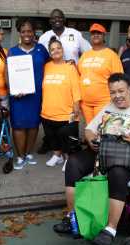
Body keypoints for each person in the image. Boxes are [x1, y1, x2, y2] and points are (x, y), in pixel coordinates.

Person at [53, 73, 130, 245]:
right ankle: (72, 218)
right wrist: (91, 140)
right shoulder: (108, 108)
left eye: (121, 91)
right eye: (113, 92)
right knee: (73, 163)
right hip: (105, 151)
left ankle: (110, 229)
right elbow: (90, 130)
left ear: (129, 90)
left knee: (117, 172)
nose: (117, 96)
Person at [37, 8, 91, 154]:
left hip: (71, 78)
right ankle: (52, 145)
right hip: (52, 79)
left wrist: (78, 66)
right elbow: (39, 57)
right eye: (53, 18)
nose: (56, 20)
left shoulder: (75, 34)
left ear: (64, 19)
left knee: (70, 117)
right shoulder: (44, 37)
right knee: (52, 114)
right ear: (49, 21)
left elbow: (88, 52)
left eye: (59, 17)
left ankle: (71, 148)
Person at [8, 19, 49, 170]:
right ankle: (20, 156)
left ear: (34, 33)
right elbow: (8, 73)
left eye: (29, 31)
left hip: (36, 95)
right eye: (24, 31)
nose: (27, 34)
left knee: (33, 124)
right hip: (18, 96)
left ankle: (28, 153)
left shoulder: (41, 49)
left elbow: (51, 65)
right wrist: (13, 89)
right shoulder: (12, 51)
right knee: (18, 125)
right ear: (19, 33)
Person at [41, 37, 81, 171]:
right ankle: (57, 155)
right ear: (49, 52)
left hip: (66, 111)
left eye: (58, 48)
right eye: (52, 49)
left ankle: (68, 158)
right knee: (51, 135)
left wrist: (76, 104)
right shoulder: (46, 67)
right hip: (48, 110)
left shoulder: (70, 67)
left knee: (67, 137)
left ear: (63, 50)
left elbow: (76, 87)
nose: (56, 51)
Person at [78, 23, 124, 124]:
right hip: (85, 103)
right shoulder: (85, 55)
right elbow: (79, 74)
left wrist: (118, 99)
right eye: (93, 33)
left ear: (104, 36)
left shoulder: (112, 55)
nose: (96, 35)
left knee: (101, 131)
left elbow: (119, 79)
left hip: (104, 102)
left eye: (99, 33)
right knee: (90, 129)